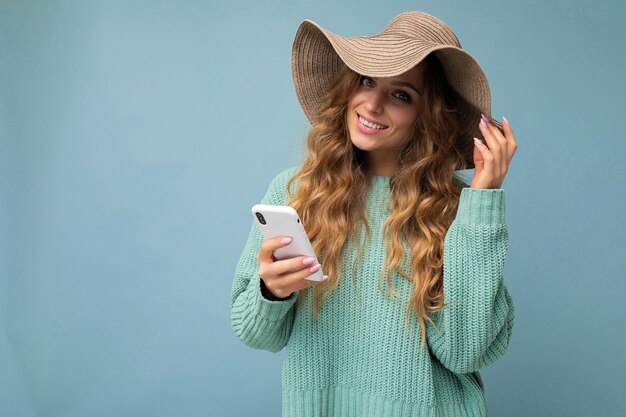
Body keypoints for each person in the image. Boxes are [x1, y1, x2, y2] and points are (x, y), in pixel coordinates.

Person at [231, 11, 517, 417]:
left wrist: (484, 200)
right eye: (366, 81)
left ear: (428, 115)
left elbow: (465, 351)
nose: (373, 103)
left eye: (401, 95)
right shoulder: (295, 191)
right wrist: (271, 292)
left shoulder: (460, 208)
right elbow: (252, 332)